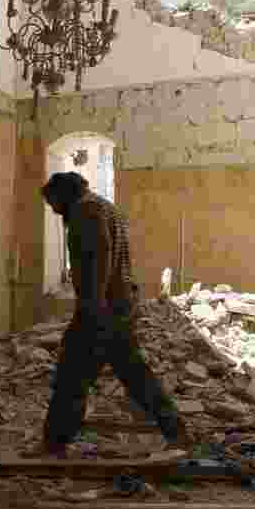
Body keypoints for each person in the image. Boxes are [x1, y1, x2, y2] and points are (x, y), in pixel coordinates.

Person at [31, 172, 187, 458]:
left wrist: (91, 309)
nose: (53, 209)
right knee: (133, 373)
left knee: (71, 374)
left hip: (101, 307)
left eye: (52, 202)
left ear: (64, 194)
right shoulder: (105, 207)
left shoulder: (85, 210)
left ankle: (54, 443)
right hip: (120, 304)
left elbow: (99, 259)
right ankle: (176, 432)